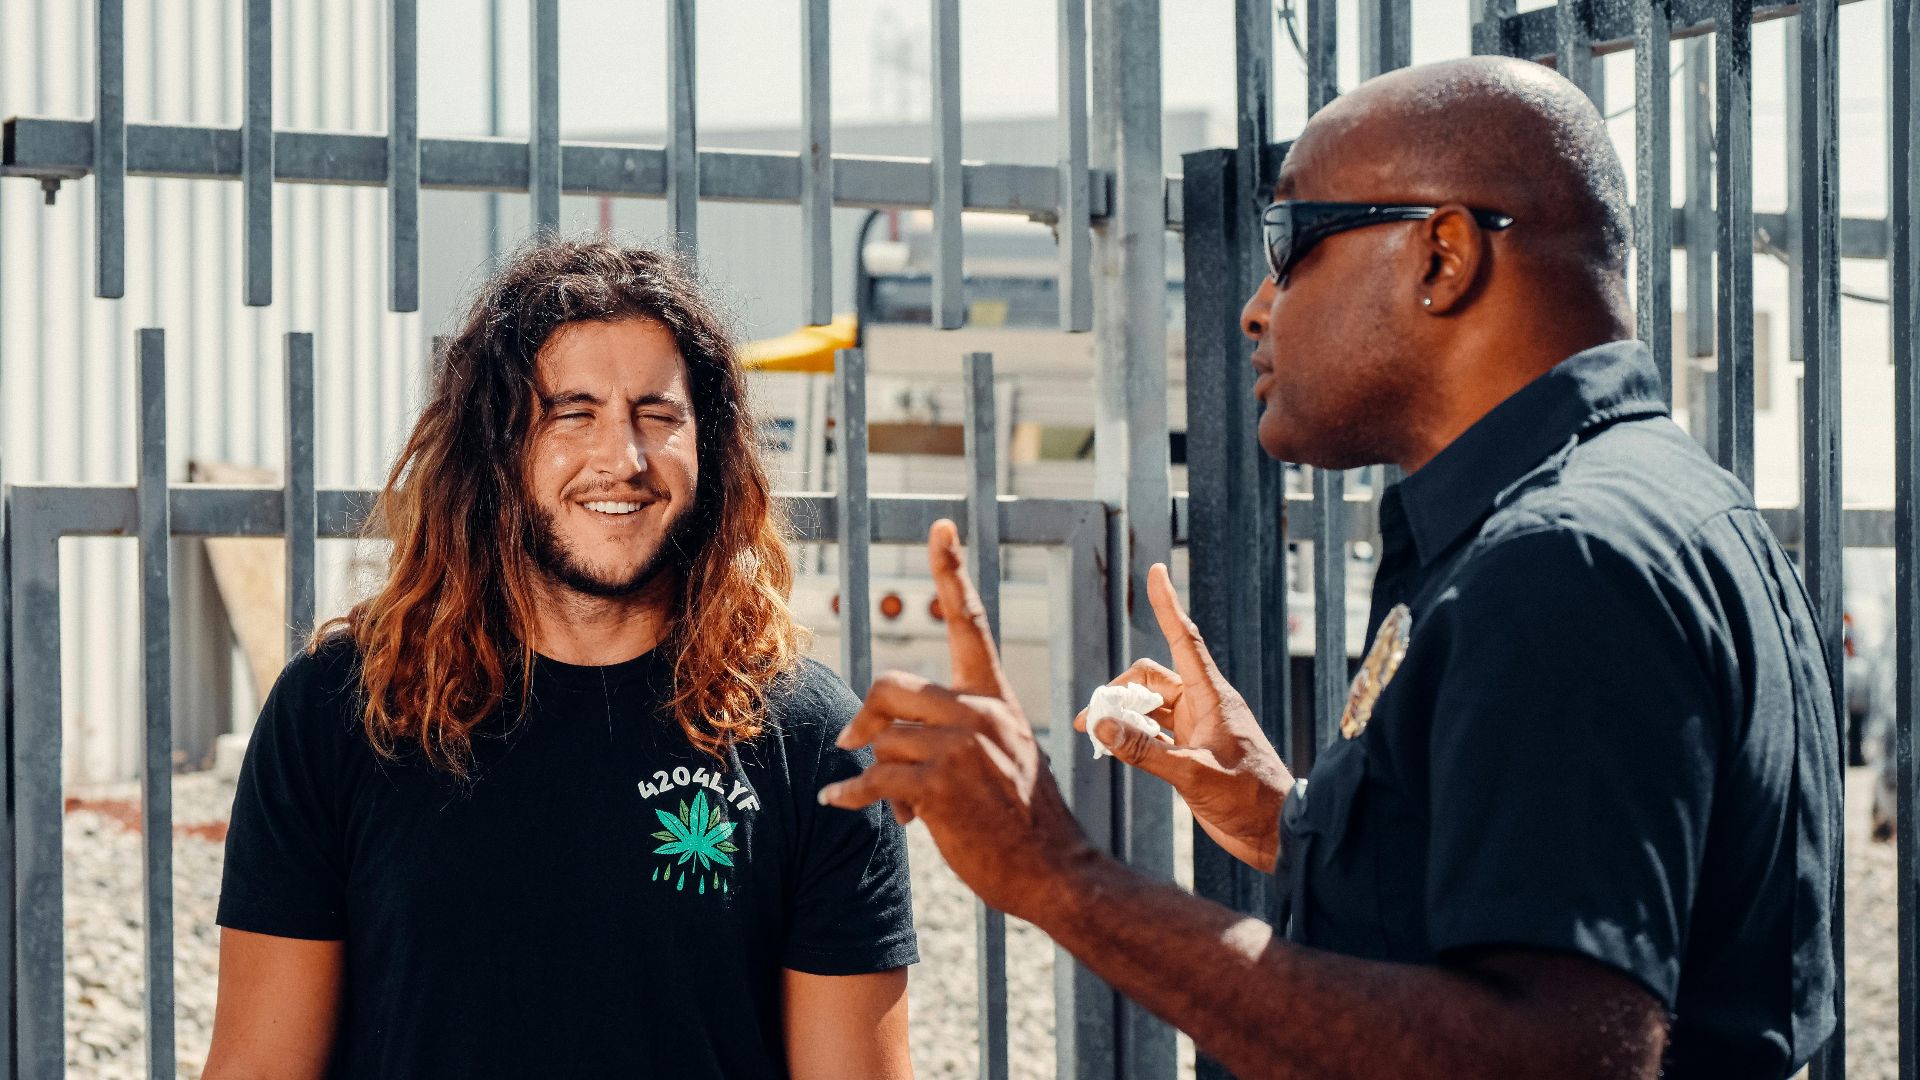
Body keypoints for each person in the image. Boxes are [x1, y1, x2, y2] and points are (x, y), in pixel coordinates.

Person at [820, 56, 1839, 1079]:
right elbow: (1530, 899)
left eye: (1290, 243)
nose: (1256, 307)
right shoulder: (1666, 505)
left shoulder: (1565, 562)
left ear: (1443, 256)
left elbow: (1554, 1054)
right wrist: (1284, 820)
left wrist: (1060, 876)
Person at [205, 241, 918, 1080]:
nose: (623, 458)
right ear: (495, 448)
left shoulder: (810, 741)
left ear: (712, 446)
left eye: (657, 414)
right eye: (573, 413)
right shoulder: (342, 711)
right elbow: (260, 1064)